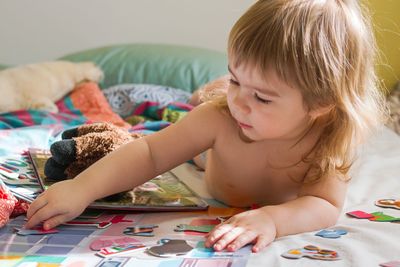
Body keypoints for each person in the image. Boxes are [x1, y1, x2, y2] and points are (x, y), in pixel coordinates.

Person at [26, 0, 387, 253]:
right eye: (235, 81)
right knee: (199, 120)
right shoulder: (222, 117)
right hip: (207, 153)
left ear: (320, 106)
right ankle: (207, 90)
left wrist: (273, 220)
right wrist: (82, 188)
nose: (240, 102)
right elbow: (150, 152)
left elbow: (323, 203)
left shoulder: (328, 141)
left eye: (262, 98)